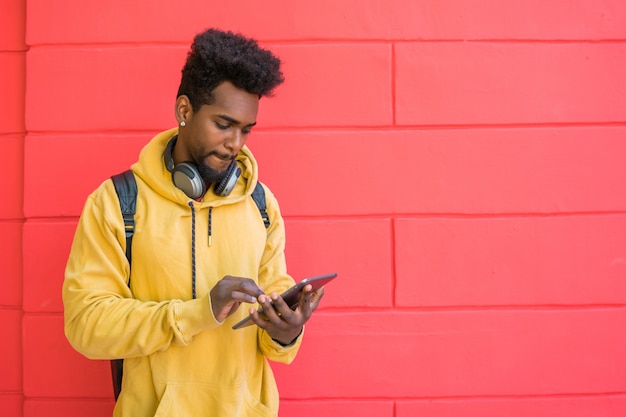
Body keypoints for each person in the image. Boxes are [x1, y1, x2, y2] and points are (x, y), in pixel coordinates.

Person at [62, 28, 324, 417]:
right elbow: (87, 325)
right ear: (184, 111)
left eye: (246, 129)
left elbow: (272, 327)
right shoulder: (117, 202)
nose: (236, 143)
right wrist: (199, 312)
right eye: (223, 124)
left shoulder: (260, 202)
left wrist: (286, 331)